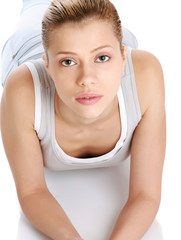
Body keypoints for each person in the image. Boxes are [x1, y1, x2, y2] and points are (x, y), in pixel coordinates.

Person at [0, 0, 166, 239]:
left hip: (95, 31)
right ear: (47, 65)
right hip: (29, 43)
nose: (87, 79)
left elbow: (146, 194)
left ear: (122, 56)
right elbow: (32, 192)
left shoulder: (145, 76)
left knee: (92, 28)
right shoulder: (23, 91)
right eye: (68, 62)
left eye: (102, 59)